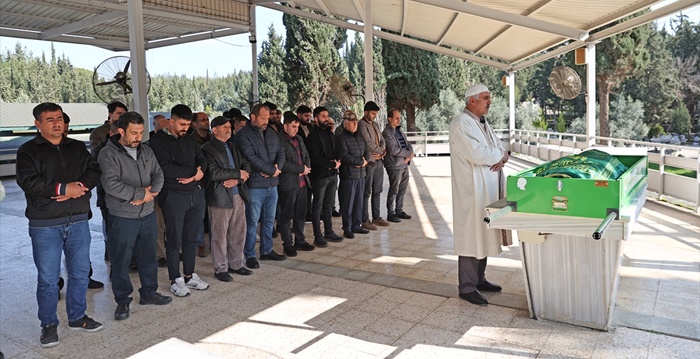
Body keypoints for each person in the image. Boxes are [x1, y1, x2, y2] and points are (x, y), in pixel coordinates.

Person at [17, 103, 103, 348]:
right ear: (38, 124)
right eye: (50, 119)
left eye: (59, 118)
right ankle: (48, 325)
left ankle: (77, 317)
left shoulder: (76, 147)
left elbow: (94, 170)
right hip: (45, 224)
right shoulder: (28, 151)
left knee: (79, 274)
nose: (57, 123)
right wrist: (63, 189)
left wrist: (80, 187)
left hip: (77, 220)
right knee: (48, 279)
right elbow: (29, 182)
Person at [98, 111, 172, 320]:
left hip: (147, 213)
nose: (139, 137)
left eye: (141, 132)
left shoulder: (146, 151)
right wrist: (141, 194)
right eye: (134, 133)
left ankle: (149, 293)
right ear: (121, 131)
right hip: (122, 216)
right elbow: (110, 184)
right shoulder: (108, 154)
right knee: (121, 261)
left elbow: (158, 174)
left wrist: (151, 194)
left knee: (148, 257)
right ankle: (122, 301)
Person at [449, 84, 510, 306]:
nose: (489, 101)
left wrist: (502, 155)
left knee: (483, 233)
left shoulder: (482, 123)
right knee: (471, 236)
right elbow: (476, 153)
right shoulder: (460, 124)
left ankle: (479, 279)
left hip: (486, 190)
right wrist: (500, 155)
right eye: (486, 98)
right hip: (471, 192)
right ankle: (466, 286)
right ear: (472, 101)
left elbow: (498, 147)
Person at [149, 104, 210, 297]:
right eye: (181, 124)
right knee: (174, 240)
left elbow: (203, 160)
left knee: (190, 238)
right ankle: (175, 279)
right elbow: (166, 169)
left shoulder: (189, 139)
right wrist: (194, 172)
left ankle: (190, 275)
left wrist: (197, 173)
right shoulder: (158, 142)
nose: (185, 128)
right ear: (171, 121)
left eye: (187, 124)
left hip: (195, 195)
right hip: (173, 196)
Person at [201, 116, 253, 282]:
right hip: (220, 197)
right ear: (214, 129)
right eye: (224, 127)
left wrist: (239, 179)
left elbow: (247, 165)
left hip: (238, 194)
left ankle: (237, 264)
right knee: (219, 235)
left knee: (238, 232)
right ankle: (220, 268)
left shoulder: (232, 146)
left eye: (229, 126)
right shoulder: (207, 148)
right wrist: (238, 173)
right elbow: (214, 172)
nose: (228, 129)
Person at [235, 103, 287, 269]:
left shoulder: (271, 132)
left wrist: (276, 168)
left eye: (267, 118)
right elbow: (250, 158)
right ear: (253, 117)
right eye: (263, 118)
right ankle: (249, 254)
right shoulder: (243, 135)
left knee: (269, 220)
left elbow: (281, 152)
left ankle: (266, 250)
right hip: (255, 186)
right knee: (252, 222)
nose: (266, 121)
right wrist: (272, 170)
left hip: (272, 184)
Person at [277, 112, 316, 257]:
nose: (296, 129)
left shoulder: (299, 138)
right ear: (285, 125)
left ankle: (300, 240)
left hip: (302, 183)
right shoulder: (279, 141)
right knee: (287, 215)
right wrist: (300, 169)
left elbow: (306, 156)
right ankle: (287, 244)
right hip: (288, 184)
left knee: (301, 214)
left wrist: (306, 169)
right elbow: (282, 163)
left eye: (297, 126)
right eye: (293, 126)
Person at [305, 106, 343, 247]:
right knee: (318, 206)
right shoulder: (312, 136)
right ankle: (318, 235)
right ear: (316, 119)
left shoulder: (330, 133)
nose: (326, 118)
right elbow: (314, 158)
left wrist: (337, 162)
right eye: (323, 116)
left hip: (332, 174)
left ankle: (329, 231)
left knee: (329, 205)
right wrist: (330, 164)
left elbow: (337, 149)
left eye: (327, 116)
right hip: (320, 176)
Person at [335, 110, 370, 239]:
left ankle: (357, 225)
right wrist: (361, 161)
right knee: (347, 203)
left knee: (358, 202)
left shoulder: (360, 136)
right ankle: (347, 228)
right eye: (352, 123)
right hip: (348, 176)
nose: (355, 125)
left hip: (361, 174)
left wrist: (364, 161)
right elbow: (344, 156)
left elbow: (367, 151)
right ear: (345, 123)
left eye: (356, 122)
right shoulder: (341, 137)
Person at [357, 101, 390, 230]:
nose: (374, 115)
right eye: (372, 113)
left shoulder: (375, 124)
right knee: (366, 191)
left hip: (379, 161)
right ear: (365, 112)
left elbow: (382, 140)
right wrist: (381, 151)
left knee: (378, 190)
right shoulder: (361, 124)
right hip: (369, 162)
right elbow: (368, 143)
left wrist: (381, 152)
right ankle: (365, 219)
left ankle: (376, 217)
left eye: (376, 113)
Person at [382, 108, 414, 223]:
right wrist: (409, 153)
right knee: (394, 189)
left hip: (404, 165)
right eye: (396, 118)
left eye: (399, 118)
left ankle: (399, 210)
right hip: (394, 165)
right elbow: (393, 150)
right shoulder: (386, 133)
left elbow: (408, 144)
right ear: (390, 119)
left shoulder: (399, 131)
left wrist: (410, 154)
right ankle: (391, 213)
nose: (399, 120)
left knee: (402, 190)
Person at [191, 112, 212, 258]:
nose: (206, 122)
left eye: (207, 119)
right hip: (199, 183)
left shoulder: (213, 138)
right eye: (203, 120)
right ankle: (200, 244)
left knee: (213, 215)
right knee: (199, 216)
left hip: (214, 182)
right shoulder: (191, 140)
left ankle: (214, 243)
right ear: (195, 123)